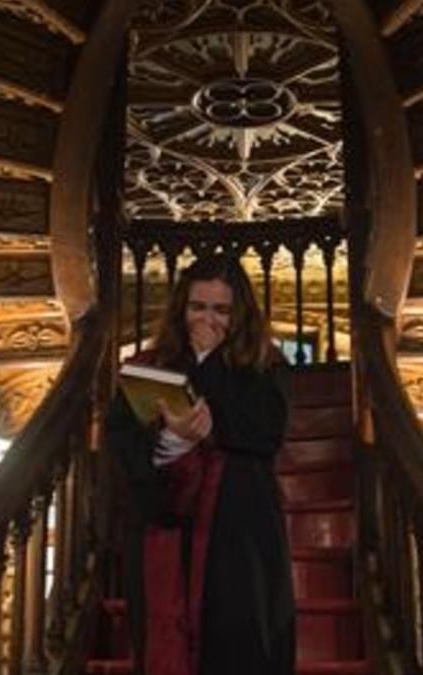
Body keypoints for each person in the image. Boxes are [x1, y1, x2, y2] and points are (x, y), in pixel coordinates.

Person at [106, 254, 295, 675]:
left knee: (236, 647)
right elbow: (122, 440)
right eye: (198, 307)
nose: (207, 319)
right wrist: (173, 440)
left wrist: (207, 363)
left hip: (236, 538)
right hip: (164, 530)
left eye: (221, 309)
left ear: (239, 314)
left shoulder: (264, 368)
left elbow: (266, 432)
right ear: (181, 309)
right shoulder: (149, 367)